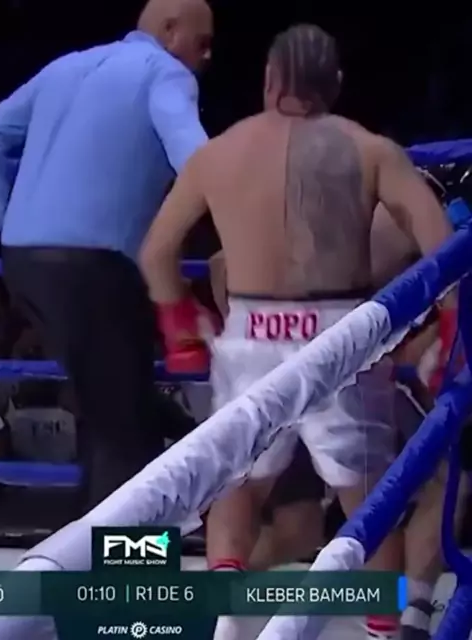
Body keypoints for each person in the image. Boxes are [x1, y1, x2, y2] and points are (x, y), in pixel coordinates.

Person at [140, 24, 455, 640]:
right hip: (342, 336)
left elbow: (156, 253)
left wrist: (182, 324)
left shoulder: (218, 154)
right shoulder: (371, 150)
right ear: (334, 82)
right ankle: (383, 630)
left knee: (237, 488)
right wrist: (452, 336)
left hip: (251, 332)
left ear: (268, 79)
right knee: (370, 499)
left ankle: (228, 625)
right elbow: (441, 249)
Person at [0, 0, 213, 510]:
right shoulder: (165, 74)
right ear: (170, 31)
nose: (207, 56)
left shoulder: (66, 67)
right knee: (127, 435)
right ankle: (134, 561)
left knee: (106, 415)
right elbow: (200, 162)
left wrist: (7, 221)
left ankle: (84, 548)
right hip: (92, 269)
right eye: (201, 43)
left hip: (23, 263)